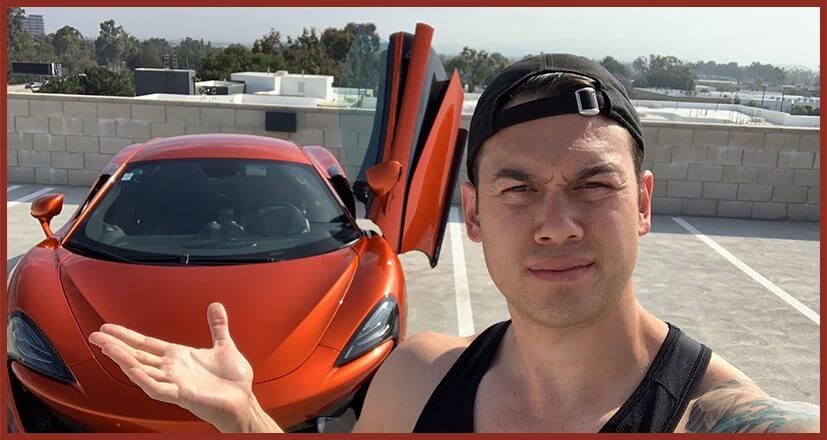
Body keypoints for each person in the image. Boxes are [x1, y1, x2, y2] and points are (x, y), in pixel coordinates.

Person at [88, 54, 820, 433]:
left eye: (594, 185)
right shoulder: (413, 382)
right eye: (518, 189)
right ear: (471, 214)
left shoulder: (718, 417)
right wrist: (246, 417)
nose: (557, 223)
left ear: (644, 204)